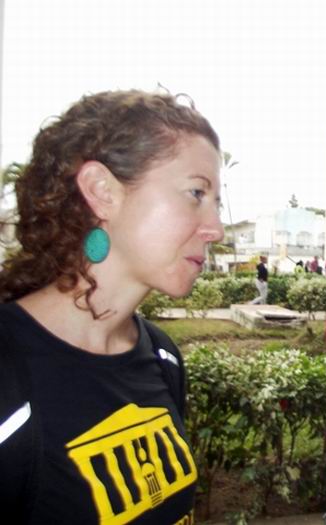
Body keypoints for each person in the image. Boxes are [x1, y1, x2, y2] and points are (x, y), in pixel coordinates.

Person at [0, 90, 224, 524]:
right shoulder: (7, 370)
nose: (214, 227)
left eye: (216, 201)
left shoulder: (161, 357)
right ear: (102, 191)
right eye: (196, 193)